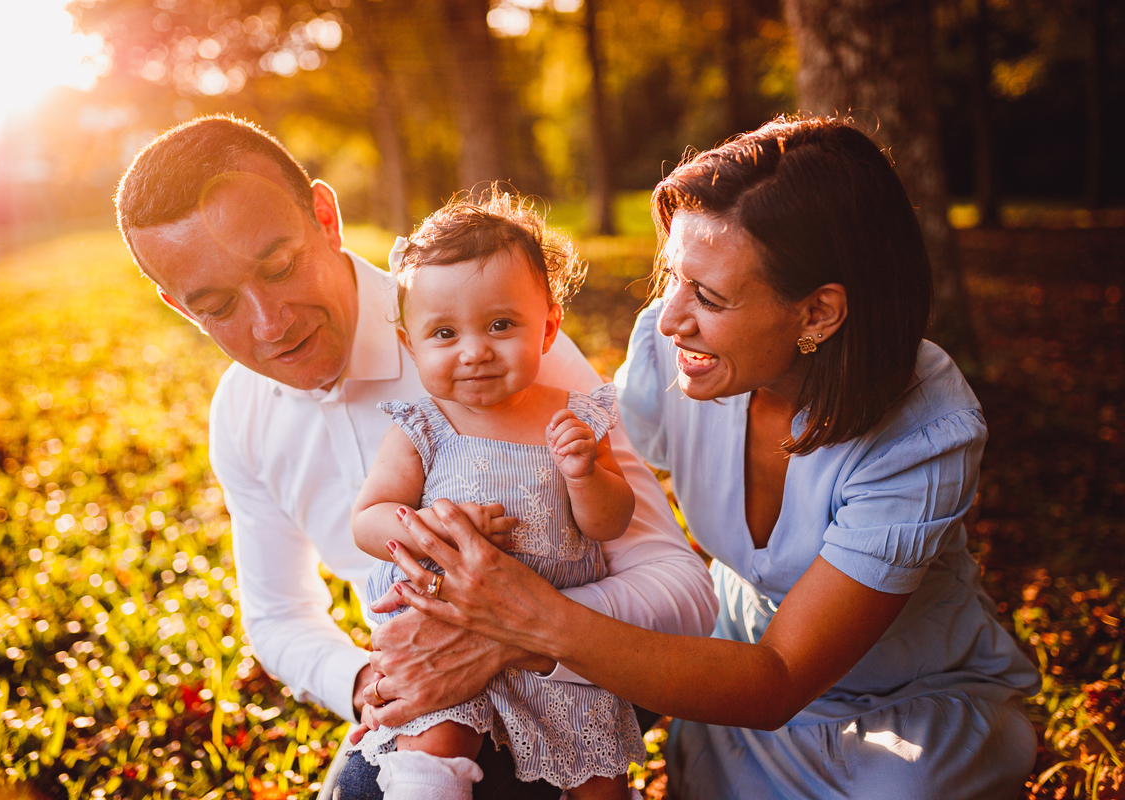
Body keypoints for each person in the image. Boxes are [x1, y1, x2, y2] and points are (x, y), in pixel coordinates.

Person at [365, 116, 1043, 800]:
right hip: (721, 674)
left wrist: (524, 627)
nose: (668, 319)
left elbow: (779, 677)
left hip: (889, 708)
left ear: (817, 315)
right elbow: (604, 516)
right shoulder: (677, 352)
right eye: (673, 279)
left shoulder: (926, 433)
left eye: (709, 298)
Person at [112, 115, 717, 798]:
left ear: (324, 215)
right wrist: (371, 682)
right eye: (217, 306)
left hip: (575, 665)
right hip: (427, 702)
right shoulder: (241, 416)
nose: (269, 324)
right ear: (176, 304)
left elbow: (683, 591)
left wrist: (514, 634)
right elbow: (278, 614)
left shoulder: (487, 331)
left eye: (279, 267)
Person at [350, 193, 643, 800]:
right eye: (444, 333)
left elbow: (610, 523)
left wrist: (586, 475)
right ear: (411, 345)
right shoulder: (421, 427)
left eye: (501, 325)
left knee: (598, 775)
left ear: (549, 327)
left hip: (554, 643)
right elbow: (369, 520)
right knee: (433, 749)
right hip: (445, 628)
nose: (474, 350)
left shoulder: (574, 417)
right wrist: (431, 524)